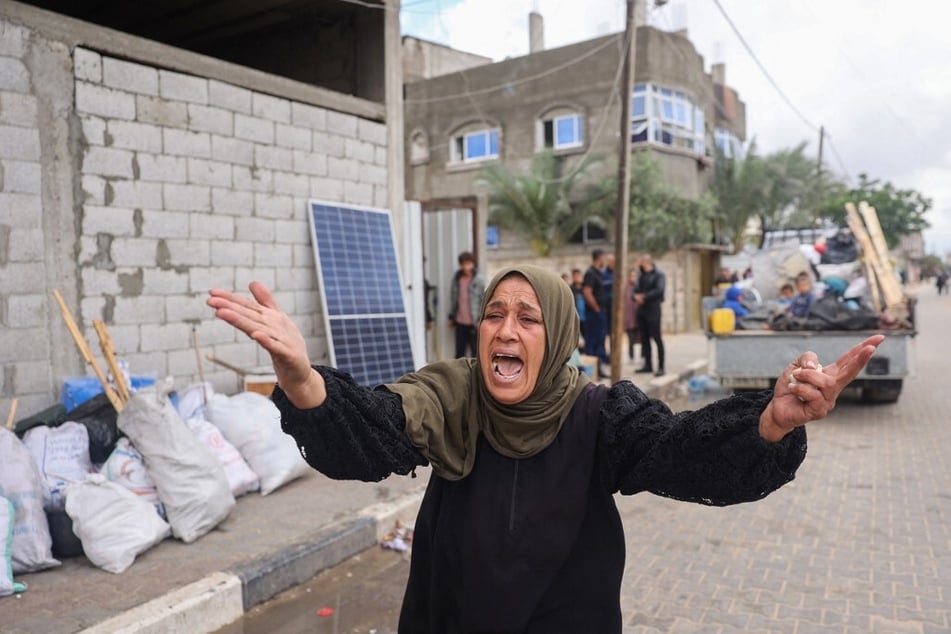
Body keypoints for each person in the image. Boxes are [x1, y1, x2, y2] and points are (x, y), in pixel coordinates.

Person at [207, 267, 883, 633]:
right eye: (494, 313)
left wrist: (769, 422)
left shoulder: (599, 414)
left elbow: (682, 450)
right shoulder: (448, 396)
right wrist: (302, 378)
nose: (505, 329)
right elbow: (372, 432)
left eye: (527, 317)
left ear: (556, 333)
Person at [633, 254, 666, 376]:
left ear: (647, 262)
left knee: (657, 338)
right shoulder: (641, 276)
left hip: (653, 309)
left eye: (642, 262)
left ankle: (661, 366)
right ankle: (648, 365)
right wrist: (636, 297)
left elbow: (659, 290)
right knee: (644, 338)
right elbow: (635, 290)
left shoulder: (659, 275)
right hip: (641, 310)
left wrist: (644, 296)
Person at [448, 251, 485, 358]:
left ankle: (474, 374)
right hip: (460, 322)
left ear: (472, 264)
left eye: (468, 264)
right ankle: (459, 374)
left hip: (474, 323)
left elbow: (483, 299)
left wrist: (480, 320)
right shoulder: (456, 279)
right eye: (464, 264)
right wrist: (451, 317)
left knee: (475, 352)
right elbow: (453, 299)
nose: (466, 267)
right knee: (459, 352)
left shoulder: (479, 280)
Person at [582, 249, 610, 377]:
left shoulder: (599, 273)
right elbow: (587, 292)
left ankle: (598, 370)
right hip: (594, 314)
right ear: (599, 258)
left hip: (600, 313)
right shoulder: (591, 273)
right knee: (592, 343)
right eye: (604, 257)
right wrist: (596, 308)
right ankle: (591, 372)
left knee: (600, 342)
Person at [622, 268, 639, 362]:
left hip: (638, 317)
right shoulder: (625, 288)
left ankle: (643, 356)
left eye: (634, 276)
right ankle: (631, 356)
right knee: (631, 339)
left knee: (641, 338)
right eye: (631, 276)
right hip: (629, 318)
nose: (633, 278)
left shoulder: (639, 286)